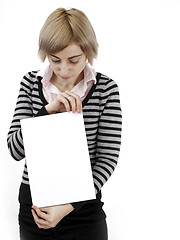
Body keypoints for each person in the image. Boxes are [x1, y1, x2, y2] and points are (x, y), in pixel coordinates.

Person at [7, 7, 122, 240]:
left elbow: (107, 158)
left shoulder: (106, 89)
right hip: (35, 210)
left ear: (88, 52)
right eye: (55, 59)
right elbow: (14, 150)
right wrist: (48, 111)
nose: (64, 69)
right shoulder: (31, 84)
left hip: (84, 209)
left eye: (73, 60)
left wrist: (69, 205)